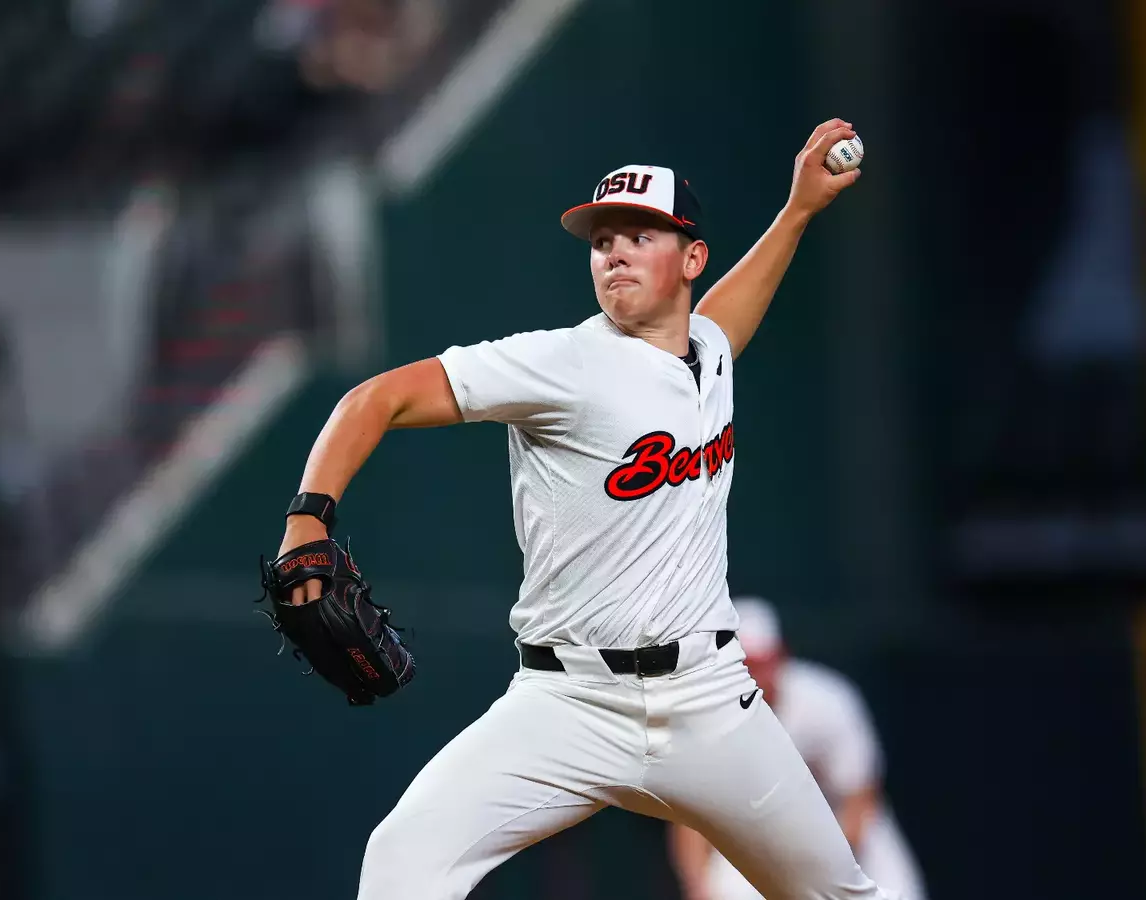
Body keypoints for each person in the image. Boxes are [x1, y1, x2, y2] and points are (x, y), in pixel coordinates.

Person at [274, 119, 881, 899]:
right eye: (602, 241)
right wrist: (307, 515)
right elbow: (378, 396)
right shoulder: (562, 363)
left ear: (691, 259)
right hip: (569, 703)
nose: (615, 251)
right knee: (401, 862)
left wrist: (796, 212)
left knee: (842, 894)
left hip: (709, 701)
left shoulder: (708, 353)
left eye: (639, 234)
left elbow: (723, 322)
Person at [669, 598, 927, 900]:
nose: (755, 673)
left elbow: (860, 800)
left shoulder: (827, 701)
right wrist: (697, 888)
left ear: (782, 655)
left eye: (763, 661)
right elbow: (691, 822)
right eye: (746, 662)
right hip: (758, 842)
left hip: (843, 834)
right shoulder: (704, 721)